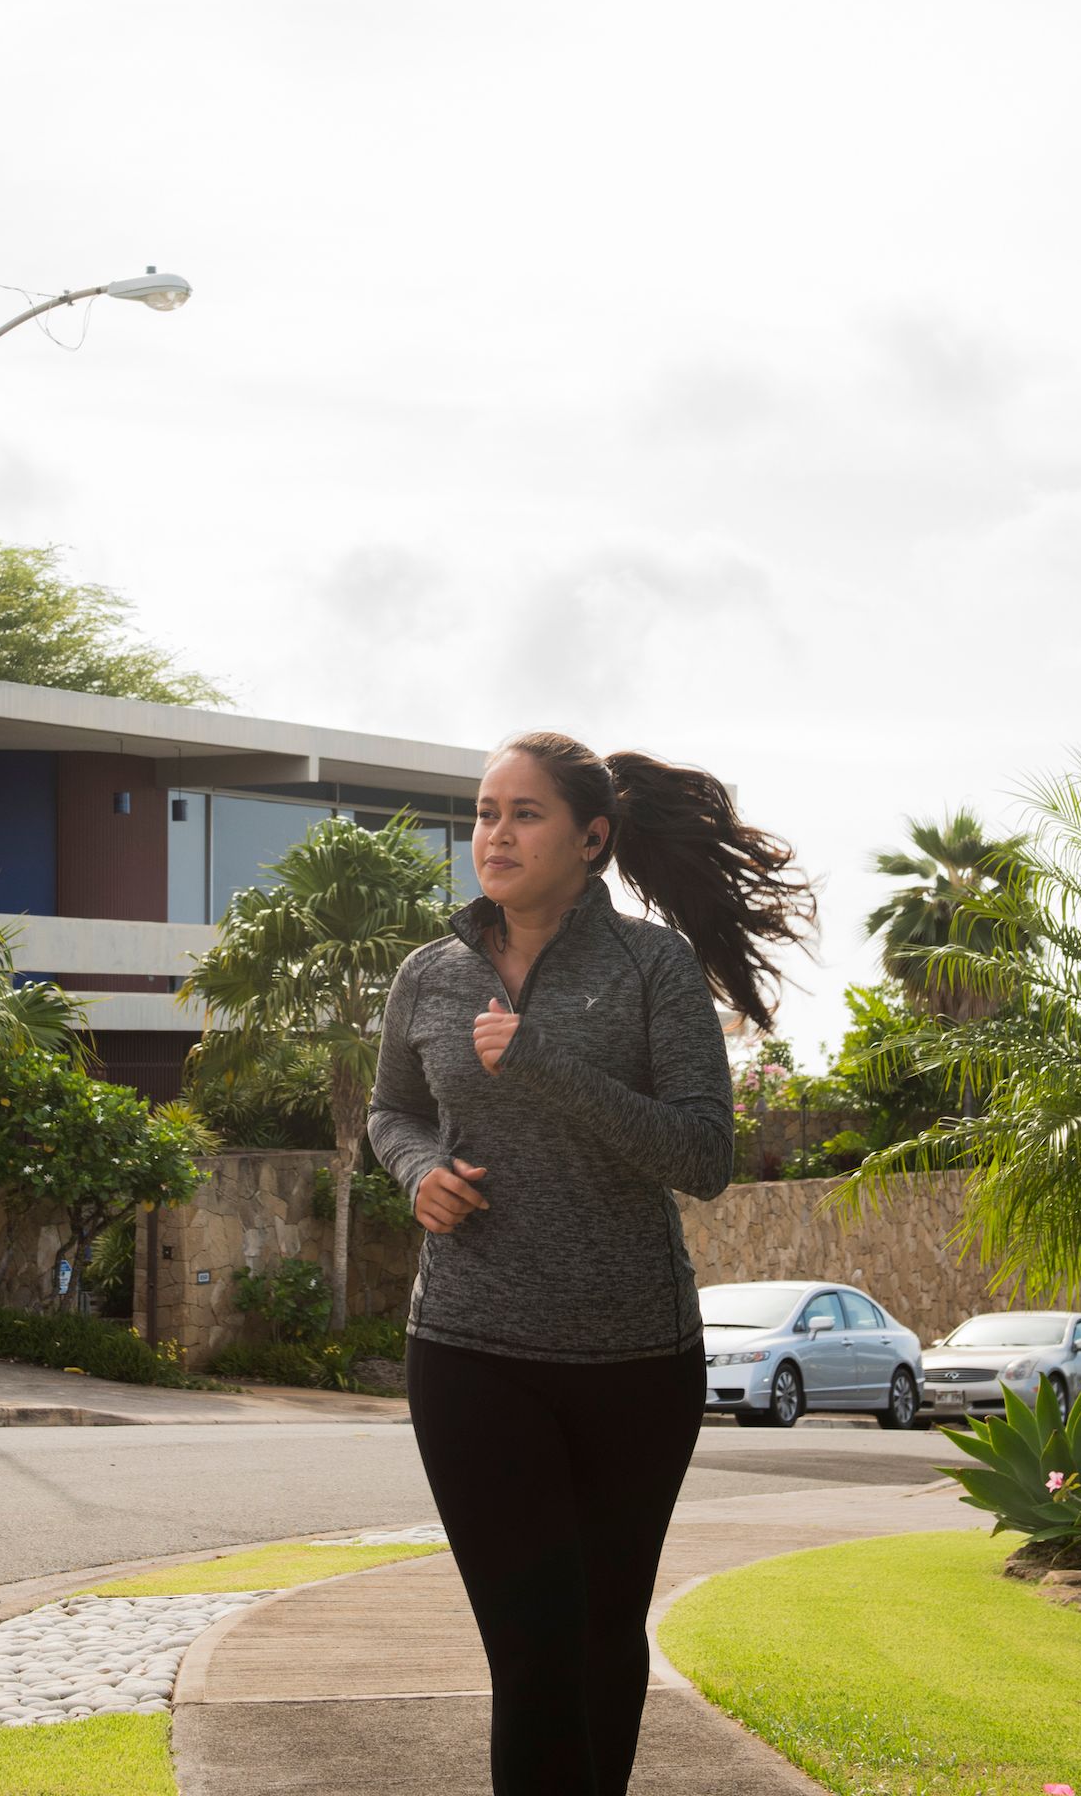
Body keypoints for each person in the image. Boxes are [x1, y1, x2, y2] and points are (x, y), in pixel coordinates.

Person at [369, 730, 816, 1796]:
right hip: (471, 1349)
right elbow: (392, 1109)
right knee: (531, 1648)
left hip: (632, 1358)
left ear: (592, 836)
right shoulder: (429, 973)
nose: (495, 832)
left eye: (524, 812)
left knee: (605, 1639)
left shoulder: (652, 965)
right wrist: (418, 1168)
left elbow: (704, 1154)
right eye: (484, 811)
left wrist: (544, 1062)